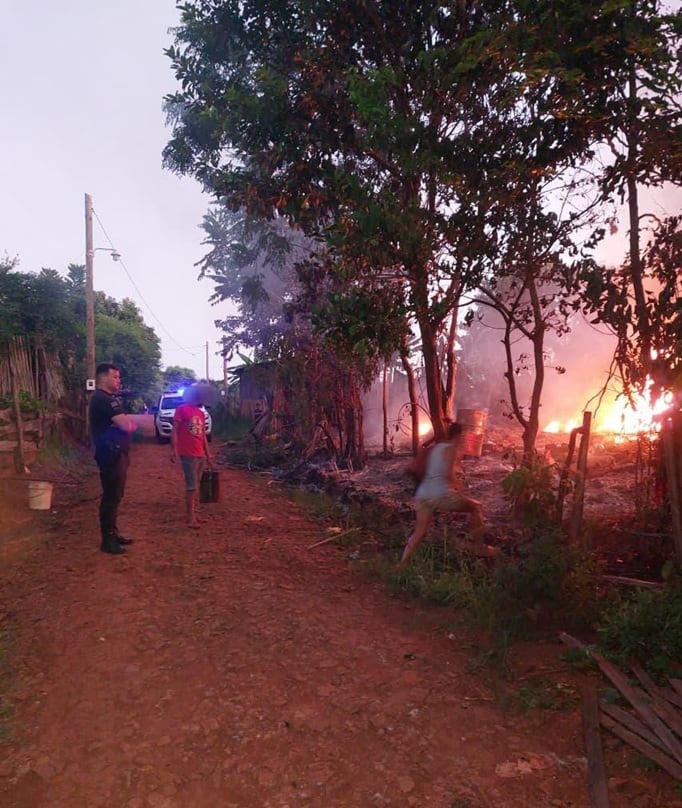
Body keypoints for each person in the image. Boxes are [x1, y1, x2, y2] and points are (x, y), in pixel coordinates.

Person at [400, 422, 497, 567]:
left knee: (419, 533)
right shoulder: (452, 449)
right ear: (460, 435)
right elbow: (448, 474)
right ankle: (479, 547)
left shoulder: (436, 448)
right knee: (476, 507)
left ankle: (402, 565)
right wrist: (458, 488)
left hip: (423, 494)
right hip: (441, 494)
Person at [89, 362, 138, 555]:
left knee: (116, 495)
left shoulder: (108, 398)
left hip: (116, 453)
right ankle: (107, 540)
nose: (119, 380)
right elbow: (126, 425)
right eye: (115, 377)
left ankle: (113, 533)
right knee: (111, 496)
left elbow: (125, 422)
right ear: (104, 377)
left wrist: (126, 422)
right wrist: (127, 423)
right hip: (110, 454)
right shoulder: (103, 399)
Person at [171, 386, 212, 529]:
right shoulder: (182, 409)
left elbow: (203, 436)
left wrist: (208, 454)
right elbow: (175, 430)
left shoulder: (200, 413)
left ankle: (195, 514)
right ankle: (190, 517)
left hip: (200, 453)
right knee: (191, 485)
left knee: (197, 485)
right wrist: (174, 450)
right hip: (188, 453)